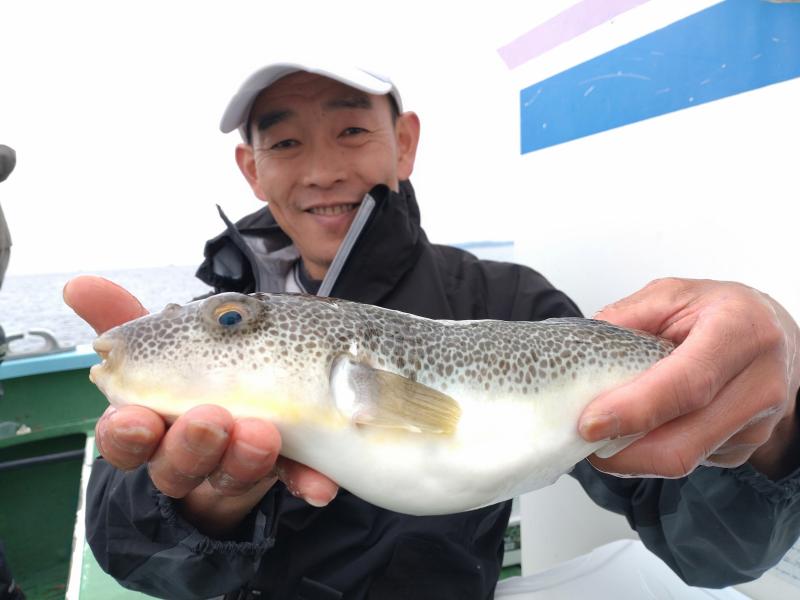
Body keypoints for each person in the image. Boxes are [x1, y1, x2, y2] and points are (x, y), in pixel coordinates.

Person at [63, 60, 800, 600]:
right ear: (250, 169)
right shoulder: (212, 320)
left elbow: (719, 554)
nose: (321, 169)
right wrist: (191, 511)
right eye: (285, 143)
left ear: (404, 142)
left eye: (351, 129)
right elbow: (132, 556)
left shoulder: (510, 302)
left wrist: (768, 431)